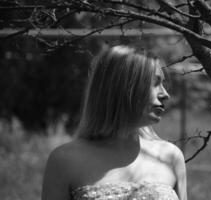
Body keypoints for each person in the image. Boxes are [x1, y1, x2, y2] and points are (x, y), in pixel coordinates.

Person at [42, 45, 187, 200]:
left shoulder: (170, 157)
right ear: (123, 87)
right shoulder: (64, 160)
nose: (165, 94)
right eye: (155, 83)